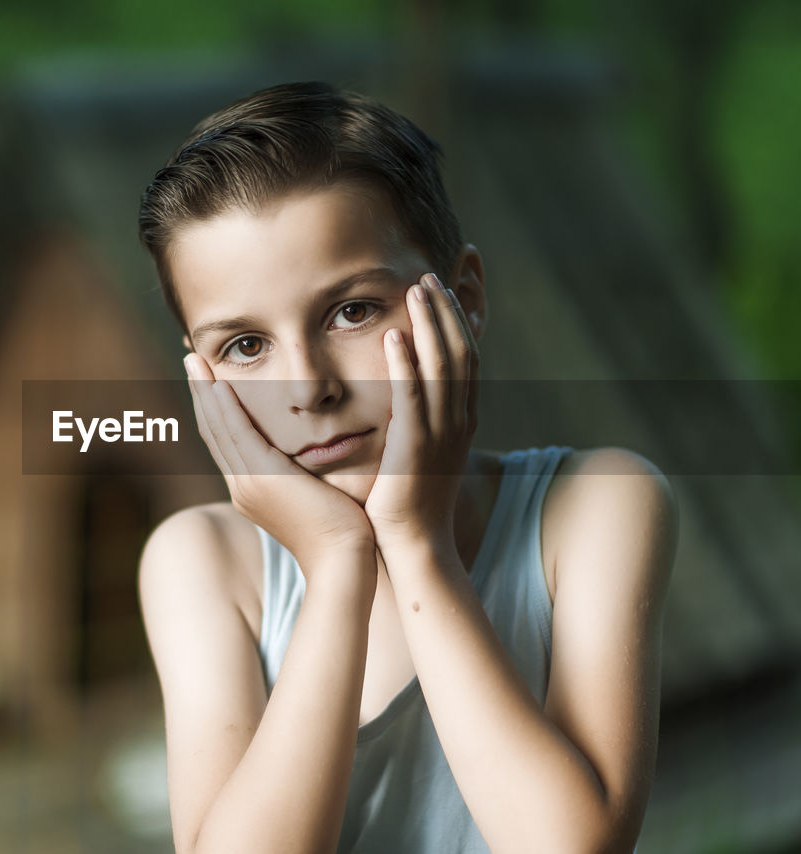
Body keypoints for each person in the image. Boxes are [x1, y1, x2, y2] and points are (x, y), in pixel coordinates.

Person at [135, 81, 678, 854]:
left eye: (352, 310)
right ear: (204, 379)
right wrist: (336, 566)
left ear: (464, 298)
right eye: (246, 346)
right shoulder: (204, 563)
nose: (312, 387)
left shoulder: (597, 506)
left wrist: (415, 544)